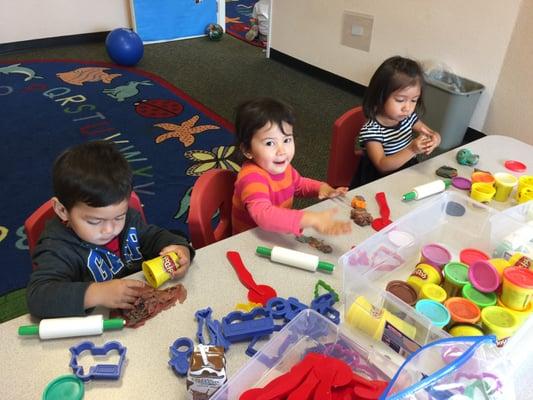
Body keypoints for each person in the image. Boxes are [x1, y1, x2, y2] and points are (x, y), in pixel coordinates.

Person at [26, 141, 195, 319]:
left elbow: (154, 237)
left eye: (118, 217)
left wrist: (180, 248)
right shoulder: (57, 247)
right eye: (94, 221)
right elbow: (38, 297)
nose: (110, 229)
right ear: (62, 210)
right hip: (99, 328)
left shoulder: (129, 220)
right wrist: (97, 293)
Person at [232, 97, 352, 236]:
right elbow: (263, 215)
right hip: (249, 241)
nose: (281, 151)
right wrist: (311, 219)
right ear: (247, 150)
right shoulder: (252, 177)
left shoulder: (283, 168)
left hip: (276, 233)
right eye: (270, 143)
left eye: (287, 140)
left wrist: (321, 188)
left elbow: (298, 184)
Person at [350, 56, 441, 188]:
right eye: (400, 100)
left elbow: (430, 133)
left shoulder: (407, 117)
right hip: (379, 181)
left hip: (406, 171)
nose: (407, 108)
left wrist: (435, 139)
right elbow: (382, 166)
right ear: (380, 96)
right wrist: (412, 150)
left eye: (414, 100)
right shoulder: (372, 131)